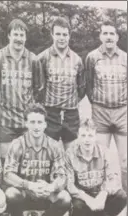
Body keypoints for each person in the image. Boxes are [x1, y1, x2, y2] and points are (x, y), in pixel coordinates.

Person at [0, 18, 44, 216]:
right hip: (6, 121)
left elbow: (39, 90)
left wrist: (29, 114)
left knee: (27, 167)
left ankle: (28, 212)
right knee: (5, 167)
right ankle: (3, 210)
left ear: (25, 37)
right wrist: (6, 106)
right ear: (9, 35)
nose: (18, 38)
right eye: (15, 34)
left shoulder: (34, 60)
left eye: (22, 34)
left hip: (27, 123)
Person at [3, 103, 70, 216]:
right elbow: (7, 174)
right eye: (32, 122)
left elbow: (62, 175)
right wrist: (29, 185)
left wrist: (51, 187)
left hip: (46, 193)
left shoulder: (54, 145)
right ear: (26, 124)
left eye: (40, 122)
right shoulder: (17, 144)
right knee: (10, 194)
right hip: (25, 192)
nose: (36, 126)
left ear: (45, 124)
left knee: (65, 198)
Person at [85, 20, 127, 205]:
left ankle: (124, 204)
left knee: (125, 162)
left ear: (117, 37)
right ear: (100, 36)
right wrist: (97, 103)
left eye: (112, 33)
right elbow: (87, 84)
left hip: (122, 113)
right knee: (98, 162)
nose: (109, 37)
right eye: (105, 33)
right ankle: (95, 204)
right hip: (100, 113)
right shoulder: (92, 57)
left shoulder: (125, 58)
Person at [65, 118, 127, 216]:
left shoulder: (105, 152)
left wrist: (102, 195)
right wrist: (87, 199)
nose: (87, 140)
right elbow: (69, 184)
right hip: (82, 199)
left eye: (90, 136)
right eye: (83, 135)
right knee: (71, 201)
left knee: (121, 196)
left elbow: (113, 178)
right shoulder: (70, 154)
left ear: (96, 136)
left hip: (100, 197)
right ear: (78, 136)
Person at [38, 17, 85, 150]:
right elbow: (38, 87)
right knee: (48, 153)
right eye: (58, 34)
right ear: (52, 34)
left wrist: (70, 101)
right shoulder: (43, 57)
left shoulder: (77, 59)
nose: (61, 38)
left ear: (69, 35)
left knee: (71, 155)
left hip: (71, 114)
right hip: (50, 112)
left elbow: (81, 89)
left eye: (65, 34)